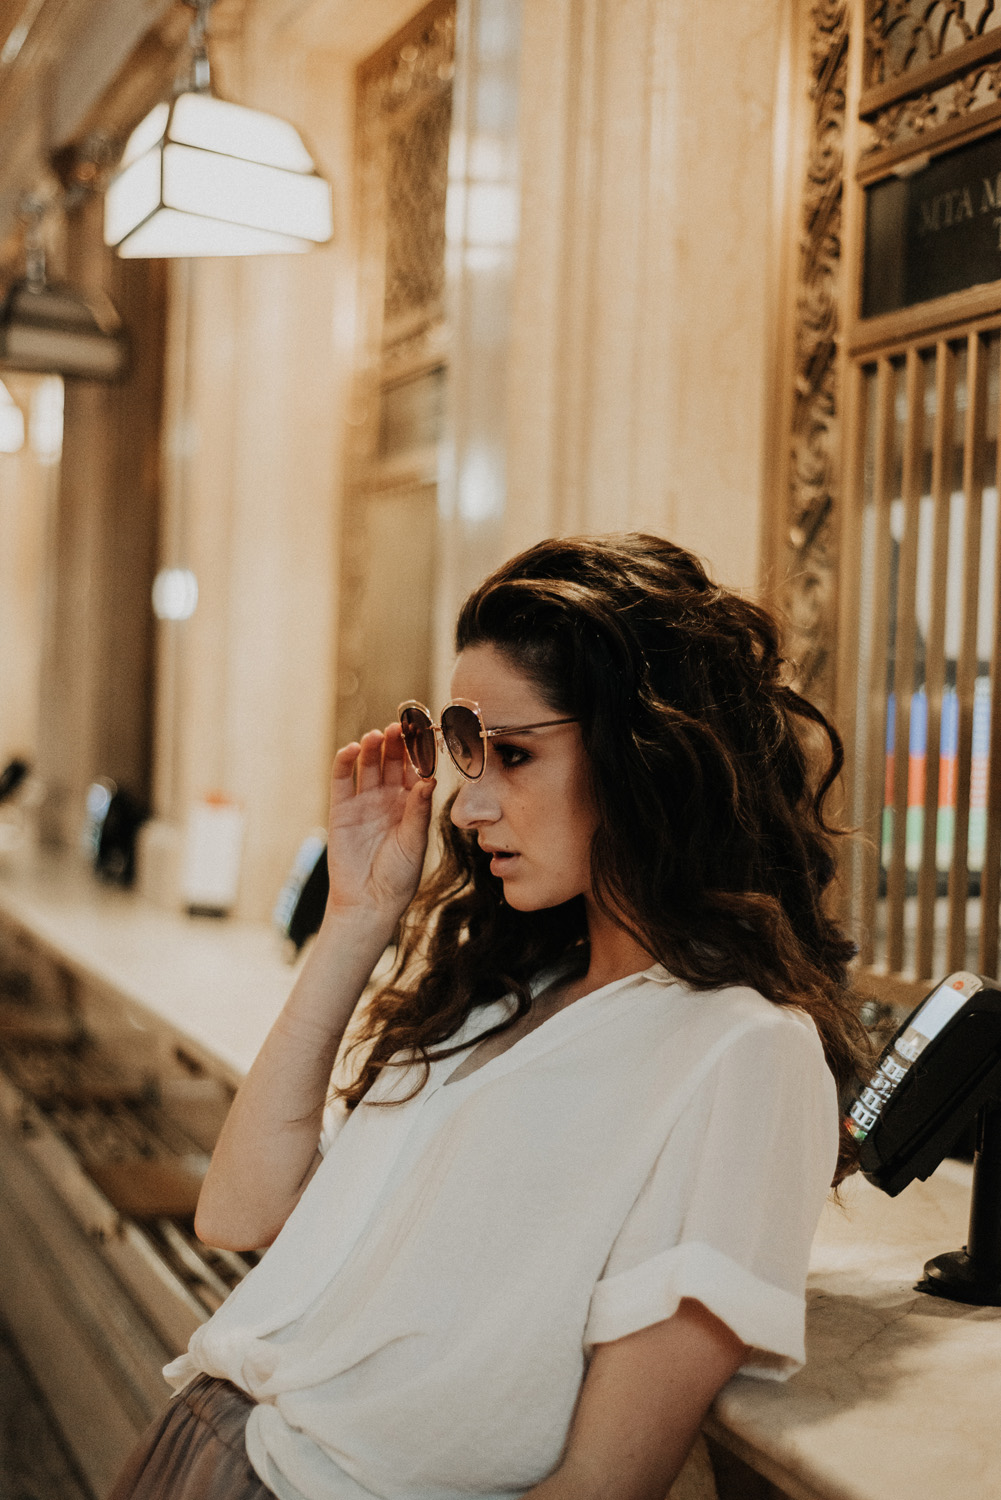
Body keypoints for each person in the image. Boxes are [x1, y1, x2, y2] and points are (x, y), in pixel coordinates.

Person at [110, 533, 869, 1500]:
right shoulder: (499, 997)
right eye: (469, 756)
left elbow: (601, 1482)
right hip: (205, 1446)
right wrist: (354, 922)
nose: (466, 808)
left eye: (511, 754)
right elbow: (239, 1213)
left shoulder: (743, 1053)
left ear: (645, 757)